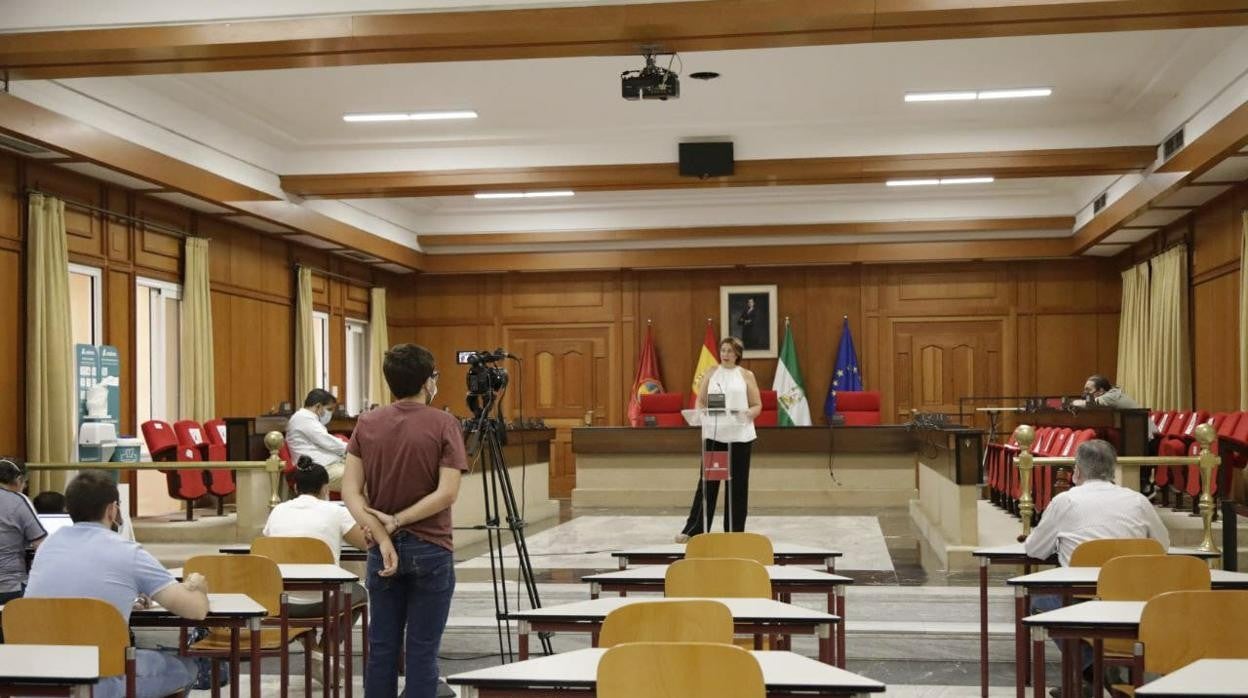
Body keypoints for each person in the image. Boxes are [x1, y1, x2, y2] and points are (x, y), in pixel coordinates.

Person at [342, 344, 467, 698]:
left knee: (381, 649)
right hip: (432, 548)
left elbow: (351, 492)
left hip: (383, 551)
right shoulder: (444, 423)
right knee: (422, 651)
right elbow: (447, 493)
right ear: (429, 382)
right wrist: (398, 521)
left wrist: (383, 535)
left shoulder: (367, 422)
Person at [25, 470, 209, 698]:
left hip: (37, 676)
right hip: (98, 682)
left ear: (68, 509)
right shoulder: (128, 552)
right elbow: (195, 610)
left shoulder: (47, 547)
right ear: (112, 509)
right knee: (187, 667)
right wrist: (199, 586)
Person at [263, 456, 370, 684]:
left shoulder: (277, 511)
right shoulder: (334, 511)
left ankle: (313, 649)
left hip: (280, 601)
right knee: (359, 594)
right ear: (325, 488)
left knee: (300, 595)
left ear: (294, 487)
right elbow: (364, 543)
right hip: (324, 600)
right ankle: (325, 649)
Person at [1023, 438, 1169, 566]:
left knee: (1038, 595)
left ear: (1077, 472)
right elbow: (1162, 546)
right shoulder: (1139, 500)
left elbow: (1035, 550)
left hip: (1078, 592)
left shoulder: (1064, 501)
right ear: (1113, 470)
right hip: (1129, 590)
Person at [675, 336, 761, 542]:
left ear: (737, 354)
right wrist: (700, 413)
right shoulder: (712, 373)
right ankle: (694, 529)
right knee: (708, 484)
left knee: (737, 486)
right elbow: (701, 400)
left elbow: (757, 405)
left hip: (740, 437)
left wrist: (747, 414)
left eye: (730, 351)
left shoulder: (746, 375)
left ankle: (734, 532)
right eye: (723, 350)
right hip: (715, 436)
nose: (725, 354)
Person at [0, 457, 44, 607]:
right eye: (25, 483)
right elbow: (41, 545)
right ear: (19, 479)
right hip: (9, 587)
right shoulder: (18, 500)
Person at [287, 388, 348, 491]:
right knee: (363, 478)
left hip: (328, 466)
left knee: (366, 472)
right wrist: (352, 448)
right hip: (319, 471)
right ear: (318, 406)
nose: (330, 414)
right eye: (329, 409)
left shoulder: (308, 418)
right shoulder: (303, 418)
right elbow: (328, 442)